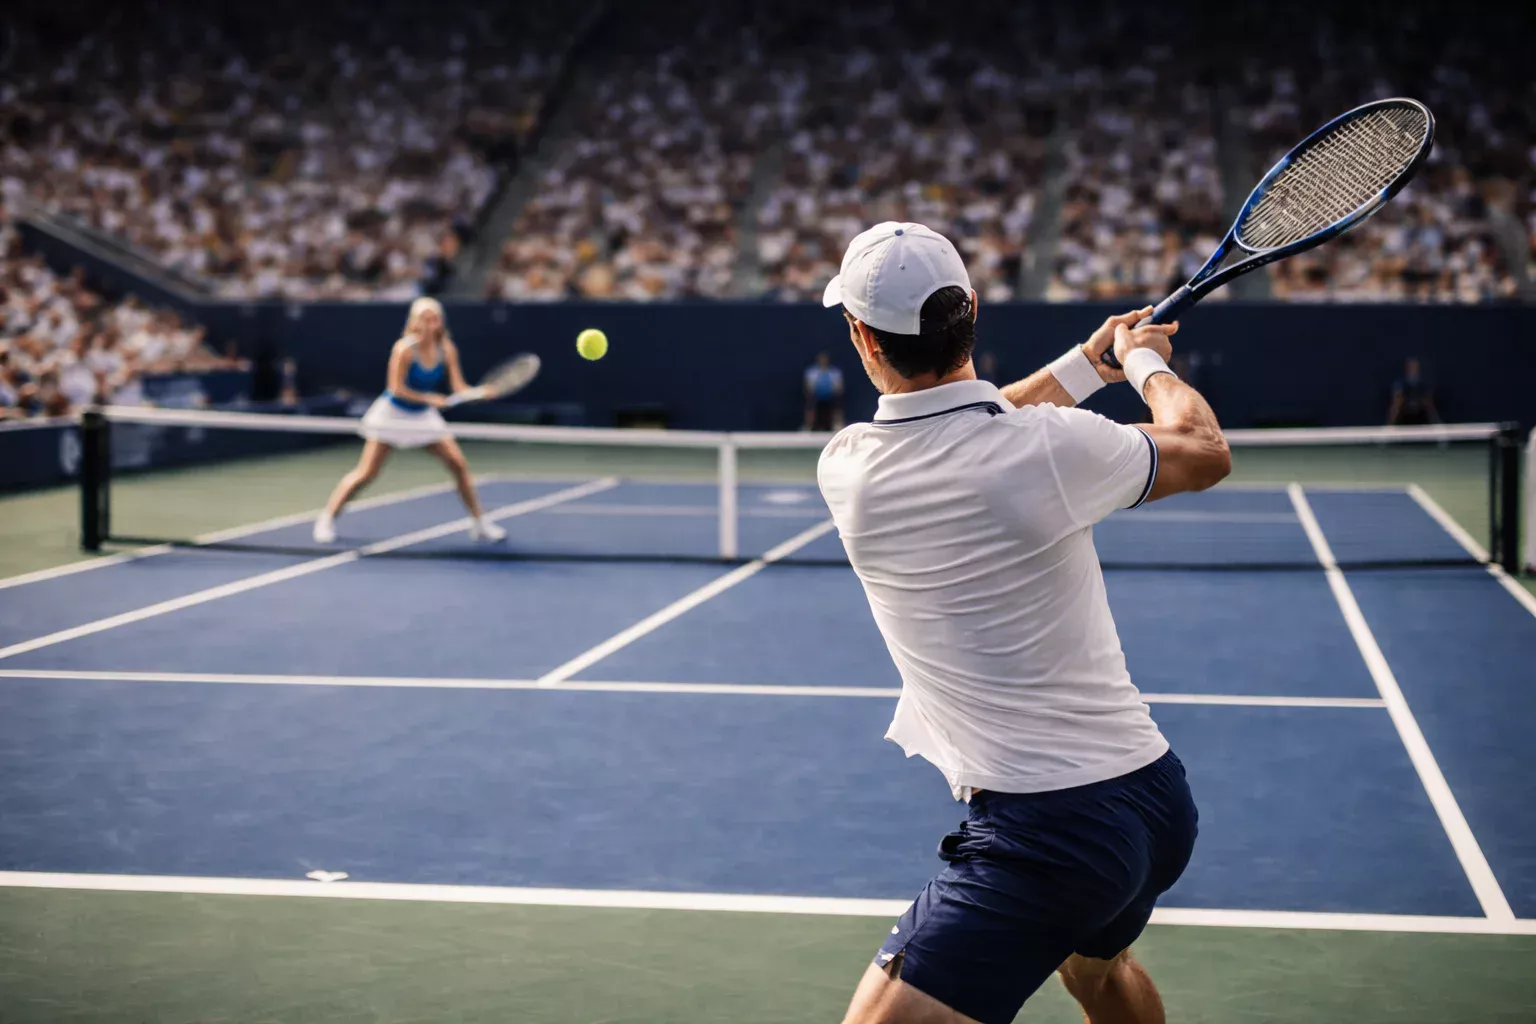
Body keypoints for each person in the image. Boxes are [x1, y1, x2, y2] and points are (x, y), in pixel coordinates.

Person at [818, 223, 1231, 1024]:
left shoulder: (851, 467)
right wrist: (1141, 363)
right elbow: (1201, 448)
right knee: (1096, 977)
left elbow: (965, 428)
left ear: (863, 337)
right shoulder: (1053, 451)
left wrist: (1088, 366)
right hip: (1154, 805)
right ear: (970, 309)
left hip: (1049, 832)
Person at [313, 297, 506, 543]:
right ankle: (327, 519)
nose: (431, 322)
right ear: (415, 321)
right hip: (393, 414)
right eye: (425, 318)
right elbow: (396, 388)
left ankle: (480, 524)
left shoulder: (446, 349)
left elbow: (458, 386)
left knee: (458, 464)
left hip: (423, 417)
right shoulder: (404, 348)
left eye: (435, 317)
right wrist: (429, 398)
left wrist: (480, 392)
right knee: (367, 473)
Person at [1386, 356, 1439, 426]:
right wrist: (1390, 423)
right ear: (1406, 369)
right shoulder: (1400, 384)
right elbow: (1396, 404)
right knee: (1397, 403)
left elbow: (1429, 404)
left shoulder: (1424, 385)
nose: (1413, 370)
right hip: (1404, 417)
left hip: (1421, 417)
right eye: (1410, 367)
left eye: (1415, 367)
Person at [803, 351, 845, 430]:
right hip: (817, 395)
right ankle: (809, 424)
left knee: (838, 402)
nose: (823, 361)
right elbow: (808, 385)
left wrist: (836, 391)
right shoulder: (812, 371)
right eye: (821, 359)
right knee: (810, 402)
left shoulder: (834, 372)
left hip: (830, 395)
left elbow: (839, 386)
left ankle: (837, 423)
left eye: (825, 359)